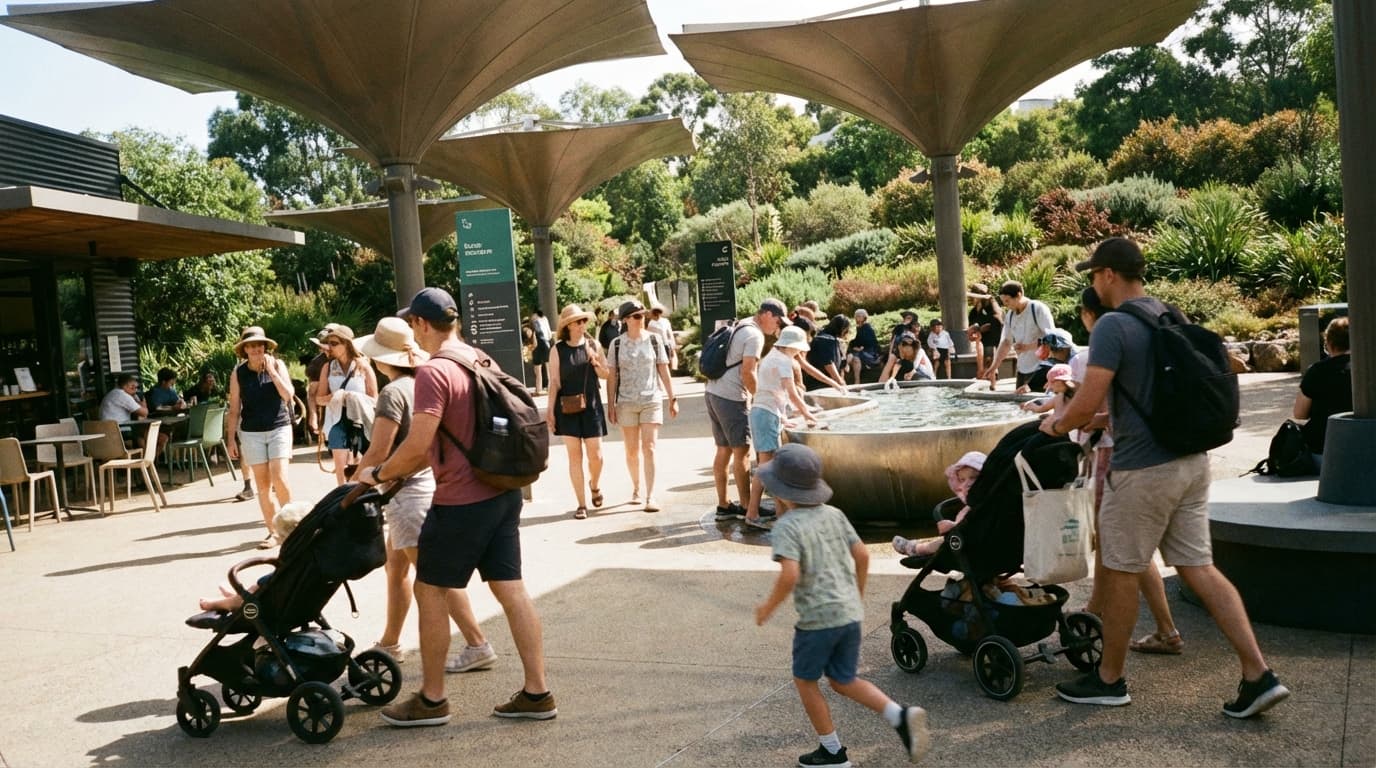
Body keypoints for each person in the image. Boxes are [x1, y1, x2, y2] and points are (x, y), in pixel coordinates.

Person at [1047, 237, 1288, 716]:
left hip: (1142, 472)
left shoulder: (1113, 324)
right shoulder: (1167, 312)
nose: (1093, 282)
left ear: (1109, 274)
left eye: (1094, 274)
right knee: (1199, 568)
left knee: (1118, 571)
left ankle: (1109, 680)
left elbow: (1089, 400)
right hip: (1191, 461)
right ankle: (1258, 674)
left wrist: (1055, 423)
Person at [361, 287, 555, 727]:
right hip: (502, 491)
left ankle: (431, 700)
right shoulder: (479, 358)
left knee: (430, 590)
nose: (414, 330)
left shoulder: (434, 372)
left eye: (414, 323)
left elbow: (416, 447)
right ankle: (537, 691)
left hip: (461, 500)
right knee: (511, 589)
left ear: (423, 325)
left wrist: (375, 474)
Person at [754, 443, 931, 767]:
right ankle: (899, 715)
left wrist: (768, 607)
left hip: (817, 622)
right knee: (842, 679)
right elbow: (862, 555)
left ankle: (832, 751)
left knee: (805, 681)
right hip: (848, 614)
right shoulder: (835, 514)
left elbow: (790, 574)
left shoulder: (786, 527)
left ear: (780, 492)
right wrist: (856, 595)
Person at [353, 317, 496, 673]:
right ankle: (390, 641)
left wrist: (354, 483)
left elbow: (378, 450)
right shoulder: (423, 382)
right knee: (397, 567)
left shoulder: (391, 392)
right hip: (431, 483)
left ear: (382, 359)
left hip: (405, 492)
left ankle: (478, 643)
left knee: (435, 575)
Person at [1073, 286, 1183, 657]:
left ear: (1090, 314)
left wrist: (1060, 424)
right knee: (1127, 548)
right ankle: (1102, 612)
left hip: (1120, 459)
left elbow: (1086, 408)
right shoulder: (1146, 334)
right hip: (1166, 456)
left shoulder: (1099, 347)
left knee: (1122, 549)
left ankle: (1111, 658)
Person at [707, 299, 788, 522]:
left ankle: (724, 505)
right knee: (742, 451)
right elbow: (748, 372)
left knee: (723, 450)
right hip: (732, 397)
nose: (778, 326)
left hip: (713, 392)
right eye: (778, 320)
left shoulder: (741, 324)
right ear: (767, 314)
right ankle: (745, 505)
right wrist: (761, 399)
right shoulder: (755, 335)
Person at [226, 327, 295, 550]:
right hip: (252, 431)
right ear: (244, 350)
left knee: (280, 477)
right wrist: (230, 439)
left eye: (259, 345)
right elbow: (234, 408)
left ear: (265, 347)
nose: (256, 349)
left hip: (279, 427)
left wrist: (272, 373)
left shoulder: (278, 365)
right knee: (263, 485)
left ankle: (294, 528)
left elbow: (288, 395)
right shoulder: (238, 373)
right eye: (251, 346)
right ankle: (273, 532)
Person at [607, 299, 678, 513]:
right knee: (631, 450)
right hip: (626, 402)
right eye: (637, 316)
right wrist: (610, 405)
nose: (642, 319)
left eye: (643, 315)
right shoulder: (616, 344)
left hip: (651, 400)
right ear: (626, 320)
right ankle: (636, 488)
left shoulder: (655, 340)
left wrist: (672, 398)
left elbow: (664, 370)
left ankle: (650, 495)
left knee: (649, 447)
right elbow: (612, 376)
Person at [745, 326, 818, 529]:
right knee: (767, 469)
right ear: (793, 346)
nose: (800, 353)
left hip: (763, 412)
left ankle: (778, 514)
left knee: (767, 467)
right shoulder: (784, 361)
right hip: (766, 415)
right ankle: (754, 514)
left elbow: (771, 391)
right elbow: (791, 393)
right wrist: (807, 414)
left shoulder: (771, 357)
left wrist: (783, 418)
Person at [546, 304, 610, 519]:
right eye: (578, 321)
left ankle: (595, 485)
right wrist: (549, 411)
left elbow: (606, 375)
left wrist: (594, 360)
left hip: (591, 405)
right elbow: (554, 382)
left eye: (584, 321)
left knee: (597, 456)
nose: (583, 324)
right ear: (568, 325)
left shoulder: (594, 344)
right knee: (574, 456)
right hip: (566, 406)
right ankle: (581, 504)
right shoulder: (557, 349)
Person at [196, 501, 311, 612]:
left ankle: (226, 602)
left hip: (279, 600)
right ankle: (238, 596)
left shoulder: (291, 556)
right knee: (260, 586)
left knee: (256, 589)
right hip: (303, 595)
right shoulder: (313, 549)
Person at [315, 325, 378, 486]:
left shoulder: (363, 365)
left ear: (347, 344)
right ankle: (343, 501)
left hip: (360, 421)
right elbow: (319, 399)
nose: (330, 347)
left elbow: (374, 399)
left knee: (362, 467)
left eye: (334, 343)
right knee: (340, 470)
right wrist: (335, 397)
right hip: (337, 419)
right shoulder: (328, 367)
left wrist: (353, 397)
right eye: (329, 343)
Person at [893, 451, 985, 557]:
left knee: (945, 543)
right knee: (947, 540)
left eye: (974, 477)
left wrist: (953, 526)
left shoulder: (983, 506)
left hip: (972, 546)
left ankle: (917, 549)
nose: (967, 484)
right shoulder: (983, 502)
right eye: (962, 479)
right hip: (974, 541)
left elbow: (974, 529)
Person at [1293, 316, 1352, 462]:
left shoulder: (1317, 371)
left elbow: (1299, 414)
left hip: (1324, 449)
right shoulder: (1368, 368)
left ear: (1329, 343)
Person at [985, 281, 1054, 391]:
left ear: (1018, 295)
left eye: (1007, 301)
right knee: (1020, 406)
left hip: (1040, 369)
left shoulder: (1038, 309)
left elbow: (1052, 338)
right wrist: (994, 367)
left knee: (1037, 404)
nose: (1005, 305)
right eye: (1003, 302)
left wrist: (1028, 347)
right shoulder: (1010, 315)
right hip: (1022, 369)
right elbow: (1006, 342)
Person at [304, 326, 337, 442]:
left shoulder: (356, 360)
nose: (324, 350)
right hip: (328, 410)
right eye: (321, 346)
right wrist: (313, 415)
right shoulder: (317, 364)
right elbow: (312, 392)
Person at [805, 314, 851, 392]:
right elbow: (828, 364)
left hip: (829, 384)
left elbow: (842, 366)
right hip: (821, 385)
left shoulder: (829, 338)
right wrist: (839, 382)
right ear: (842, 329)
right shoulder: (825, 340)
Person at [1022, 328, 1077, 394]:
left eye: (1053, 350)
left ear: (1064, 349)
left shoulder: (1076, 361)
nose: (1051, 355)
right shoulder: (1056, 361)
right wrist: (1030, 386)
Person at [967, 283, 1003, 371]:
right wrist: (974, 330)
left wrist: (982, 328)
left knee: (989, 361)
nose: (972, 299)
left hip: (993, 340)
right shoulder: (974, 311)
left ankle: (992, 380)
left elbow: (997, 321)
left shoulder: (992, 308)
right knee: (983, 364)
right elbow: (973, 324)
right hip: (981, 341)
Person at [844, 309, 882, 385]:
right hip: (862, 351)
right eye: (856, 316)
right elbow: (856, 341)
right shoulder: (859, 327)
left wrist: (859, 347)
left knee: (853, 355)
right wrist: (854, 345)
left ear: (864, 317)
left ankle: (845, 366)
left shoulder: (867, 327)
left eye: (858, 316)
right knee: (854, 357)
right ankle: (855, 379)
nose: (856, 318)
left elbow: (869, 341)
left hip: (870, 352)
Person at [647, 303, 679, 371]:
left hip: (665, 343)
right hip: (658, 345)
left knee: (667, 359)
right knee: (662, 361)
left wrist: (672, 344)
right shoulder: (651, 323)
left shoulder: (664, 321)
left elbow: (669, 333)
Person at [530, 309, 552, 395]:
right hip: (546, 344)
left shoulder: (534, 322)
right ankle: (550, 388)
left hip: (537, 346)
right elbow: (549, 334)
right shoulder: (545, 319)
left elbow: (535, 336)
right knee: (548, 368)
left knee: (537, 369)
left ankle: (538, 389)